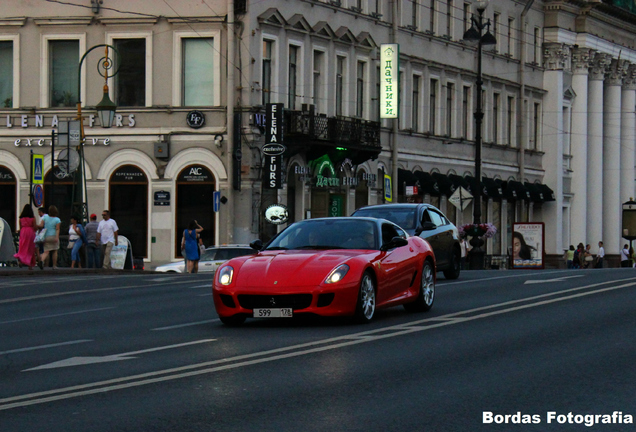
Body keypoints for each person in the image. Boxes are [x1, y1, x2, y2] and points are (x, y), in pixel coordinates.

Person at [13, 204, 37, 270]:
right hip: (30, 232)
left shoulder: (21, 218)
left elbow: (20, 227)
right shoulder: (33, 218)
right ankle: (30, 265)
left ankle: (21, 260)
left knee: (22, 246)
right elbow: (35, 226)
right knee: (30, 248)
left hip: (23, 232)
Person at [38, 205, 61, 269]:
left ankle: (41, 260)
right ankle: (54, 265)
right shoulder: (57, 220)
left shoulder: (45, 218)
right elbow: (57, 229)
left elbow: (41, 225)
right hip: (53, 236)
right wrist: (57, 237)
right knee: (54, 250)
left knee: (46, 251)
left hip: (46, 236)